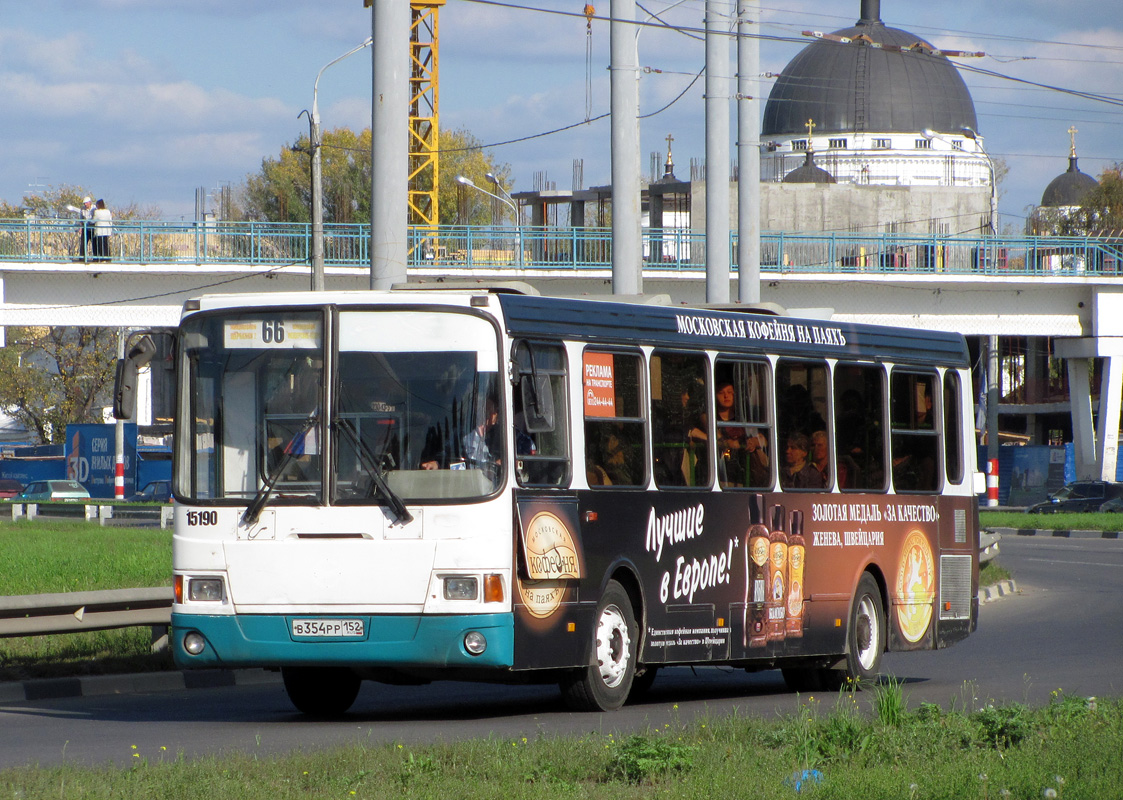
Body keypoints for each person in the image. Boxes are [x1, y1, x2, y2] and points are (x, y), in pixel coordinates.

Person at [714, 381, 769, 487]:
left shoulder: (743, 418)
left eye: (730, 392)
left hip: (745, 473)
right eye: (721, 393)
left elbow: (763, 440)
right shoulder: (711, 419)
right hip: (722, 473)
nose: (726, 396)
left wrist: (754, 442)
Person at [79, 197, 94, 262]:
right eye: (84, 203)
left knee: (94, 243)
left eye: (86, 203)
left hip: (93, 228)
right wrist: (80, 228)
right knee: (83, 243)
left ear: (90, 202)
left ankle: (96, 258)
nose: (85, 204)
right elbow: (81, 219)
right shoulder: (82, 210)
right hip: (85, 228)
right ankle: (82, 257)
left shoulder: (94, 208)